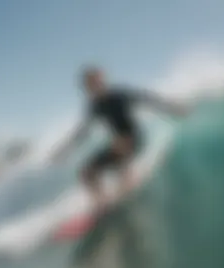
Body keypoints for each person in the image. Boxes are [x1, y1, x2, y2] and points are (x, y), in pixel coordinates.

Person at [52, 66, 186, 215]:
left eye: (95, 82)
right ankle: (101, 202)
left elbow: (148, 99)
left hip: (134, 138)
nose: (93, 88)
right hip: (118, 143)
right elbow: (83, 132)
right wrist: (64, 151)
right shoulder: (95, 106)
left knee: (120, 145)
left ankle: (127, 177)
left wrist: (174, 108)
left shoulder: (119, 95)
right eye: (89, 85)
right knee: (86, 173)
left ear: (102, 81)